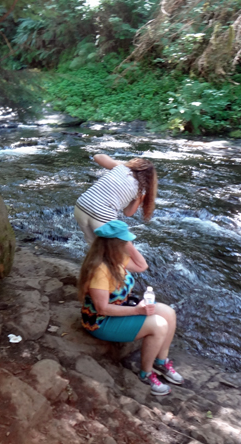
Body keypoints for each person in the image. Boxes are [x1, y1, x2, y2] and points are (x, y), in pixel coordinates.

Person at [78, 219, 182, 396]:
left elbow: (142, 266)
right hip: (101, 321)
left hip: (120, 309)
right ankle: (146, 374)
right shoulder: (100, 270)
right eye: (125, 241)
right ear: (114, 245)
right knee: (159, 325)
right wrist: (137, 311)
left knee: (169, 313)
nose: (129, 243)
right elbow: (102, 308)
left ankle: (161, 361)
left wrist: (128, 245)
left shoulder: (116, 259)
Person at [74, 154, 158, 244]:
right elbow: (128, 213)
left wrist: (123, 164)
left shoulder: (120, 168)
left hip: (81, 205)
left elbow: (97, 156)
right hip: (101, 215)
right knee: (115, 250)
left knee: (92, 245)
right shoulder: (142, 190)